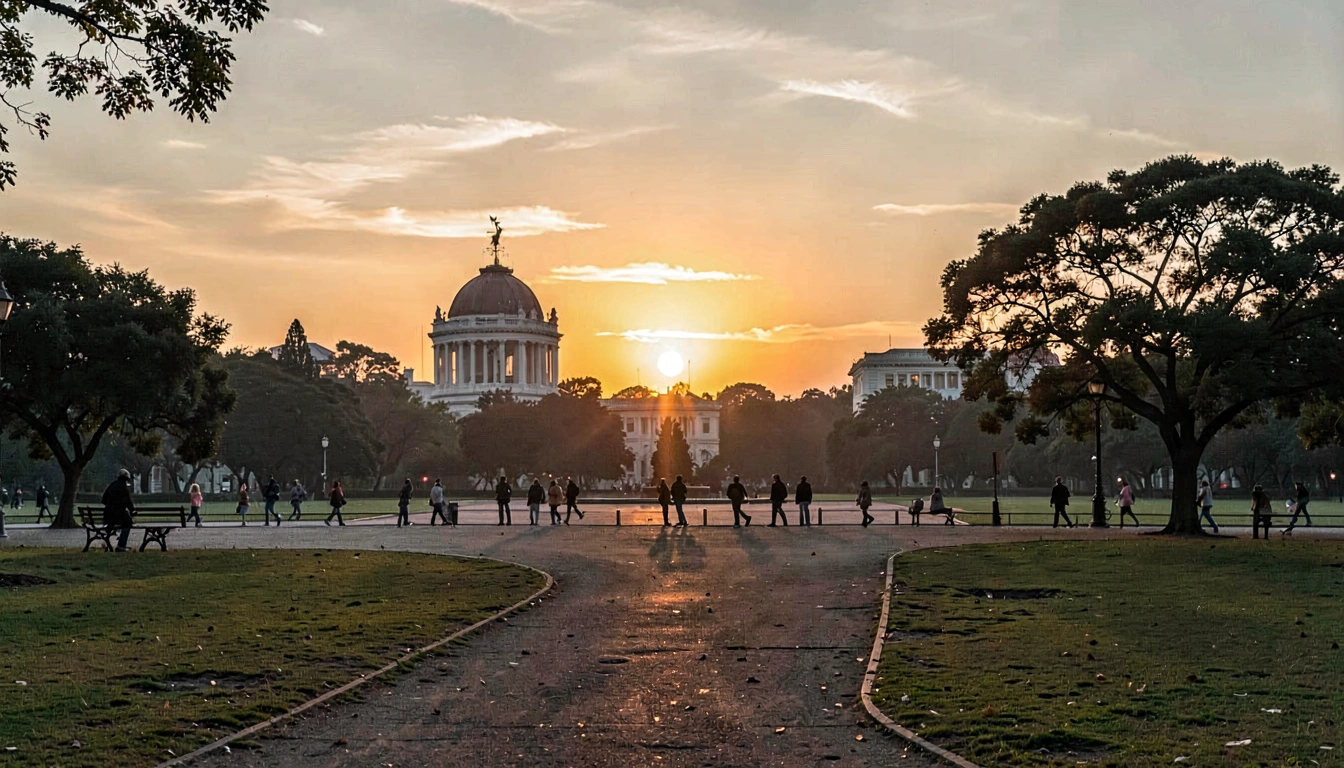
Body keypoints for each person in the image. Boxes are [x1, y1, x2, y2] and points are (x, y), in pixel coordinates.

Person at [101, 469, 136, 551]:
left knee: (112, 525)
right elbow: (128, 501)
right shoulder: (124, 487)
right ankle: (121, 545)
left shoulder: (112, 485)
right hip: (119, 514)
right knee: (128, 523)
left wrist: (111, 505)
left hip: (108, 515)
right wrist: (132, 510)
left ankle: (108, 545)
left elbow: (103, 500)